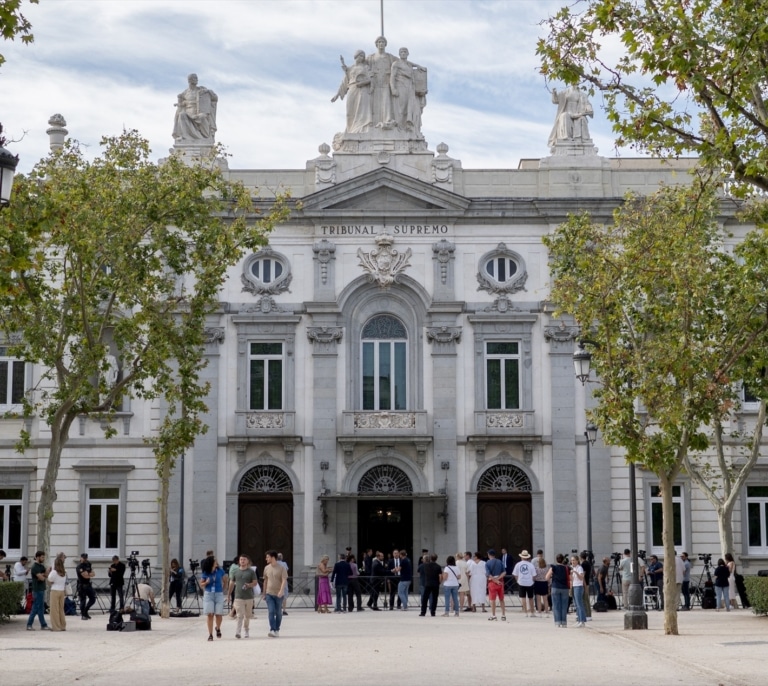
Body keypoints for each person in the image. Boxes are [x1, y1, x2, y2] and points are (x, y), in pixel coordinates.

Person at [331, 49, 373, 134]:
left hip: (363, 90)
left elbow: (371, 80)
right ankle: (350, 130)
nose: (361, 58)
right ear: (355, 56)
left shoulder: (366, 67)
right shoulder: (350, 69)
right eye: (359, 55)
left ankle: (362, 130)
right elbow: (344, 82)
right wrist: (337, 95)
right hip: (352, 89)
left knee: (362, 111)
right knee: (350, 111)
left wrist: (362, 83)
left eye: (363, 56)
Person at [389, 47, 426, 133]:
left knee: (409, 107)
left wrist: (417, 66)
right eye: (401, 52)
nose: (403, 53)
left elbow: (410, 63)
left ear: (408, 53)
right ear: (399, 54)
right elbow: (392, 77)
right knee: (400, 107)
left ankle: (407, 126)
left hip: (409, 86)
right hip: (400, 85)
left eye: (405, 52)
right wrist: (393, 88)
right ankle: (399, 127)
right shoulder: (396, 64)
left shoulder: (408, 64)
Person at [173, 73, 218, 142]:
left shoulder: (202, 89)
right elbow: (182, 103)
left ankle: (204, 136)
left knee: (202, 117)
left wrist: (208, 91)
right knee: (182, 114)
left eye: (196, 78)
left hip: (200, 112)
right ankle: (184, 136)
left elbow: (215, 98)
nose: (196, 80)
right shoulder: (185, 92)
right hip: (189, 113)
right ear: (189, 80)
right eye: (194, 78)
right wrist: (179, 104)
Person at [367, 36, 396, 127]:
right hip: (374, 84)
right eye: (379, 42)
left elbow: (402, 63)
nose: (381, 44)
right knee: (374, 104)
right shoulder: (371, 57)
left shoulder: (390, 57)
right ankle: (374, 123)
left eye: (383, 42)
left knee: (386, 102)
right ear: (376, 44)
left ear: (385, 44)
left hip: (386, 83)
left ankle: (387, 121)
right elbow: (360, 65)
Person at [228, 554, 258, 639]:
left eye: (244, 559)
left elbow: (255, 582)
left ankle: (246, 629)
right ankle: (238, 631)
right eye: (241, 560)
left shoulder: (251, 572)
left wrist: (249, 585)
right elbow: (231, 583)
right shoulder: (236, 572)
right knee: (239, 615)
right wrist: (229, 594)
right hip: (238, 597)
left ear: (247, 561)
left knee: (247, 615)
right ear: (239, 561)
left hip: (248, 597)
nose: (242, 561)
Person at [200, 553, 226, 641]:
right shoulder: (206, 572)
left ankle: (218, 628)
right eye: (215, 561)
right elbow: (201, 584)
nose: (216, 562)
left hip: (218, 593)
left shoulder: (220, 571)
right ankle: (210, 634)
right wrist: (206, 582)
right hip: (209, 593)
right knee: (210, 614)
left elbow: (225, 580)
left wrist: (223, 588)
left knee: (218, 614)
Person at [263, 549, 288, 637]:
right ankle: (272, 629)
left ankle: (277, 628)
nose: (266, 559)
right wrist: (264, 593)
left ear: (273, 557)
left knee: (278, 613)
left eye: (267, 557)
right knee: (271, 611)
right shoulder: (266, 568)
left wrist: (281, 591)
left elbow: (284, 580)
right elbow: (265, 581)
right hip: (269, 593)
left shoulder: (282, 568)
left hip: (278, 594)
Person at [26, 550, 50, 631]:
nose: (43, 558)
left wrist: (45, 572)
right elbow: (42, 578)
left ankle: (43, 624)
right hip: (37, 590)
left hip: (41, 589)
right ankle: (29, 624)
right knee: (35, 607)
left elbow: (45, 576)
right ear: (38, 557)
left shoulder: (41, 566)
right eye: (42, 557)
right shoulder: (35, 567)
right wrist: (43, 575)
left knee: (41, 608)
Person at [546, 553, 570, 628]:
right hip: (565, 588)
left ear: (556, 559)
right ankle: (564, 622)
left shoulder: (553, 567)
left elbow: (547, 577)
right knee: (564, 605)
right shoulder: (567, 568)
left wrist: (551, 578)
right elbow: (570, 578)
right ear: (563, 560)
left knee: (556, 605)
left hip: (555, 587)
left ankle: (557, 622)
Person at [47, 552, 68, 631]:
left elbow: (49, 580)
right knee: (61, 609)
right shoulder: (64, 572)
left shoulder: (54, 572)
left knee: (54, 610)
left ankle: (56, 627)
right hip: (61, 591)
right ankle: (62, 625)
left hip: (55, 590)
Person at [513, 549, 536, 618]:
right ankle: (532, 612)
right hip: (529, 583)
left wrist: (517, 580)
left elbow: (515, 574)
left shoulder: (518, 564)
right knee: (531, 598)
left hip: (521, 582)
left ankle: (525, 612)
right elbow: (534, 575)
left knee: (523, 598)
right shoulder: (531, 565)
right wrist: (532, 581)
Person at [485, 549, 506, 621]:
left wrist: (495, 580)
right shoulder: (500, 561)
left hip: (492, 582)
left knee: (492, 600)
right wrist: (498, 579)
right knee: (501, 599)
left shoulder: (487, 563)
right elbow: (504, 572)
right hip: (500, 582)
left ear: (489, 555)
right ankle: (503, 615)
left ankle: (493, 615)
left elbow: (488, 574)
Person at [76, 552, 96, 620]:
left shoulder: (88, 564)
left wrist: (88, 574)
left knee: (93, 599)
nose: (85, 559)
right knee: (83, 600)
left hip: (88, 585)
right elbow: (84, 576)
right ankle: (83, 615)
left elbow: (93, 574)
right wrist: (88, 574)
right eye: (83, 558)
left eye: (86, 558)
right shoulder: (79, 567)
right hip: (82, 585)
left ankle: (86, 611)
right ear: (81, 558)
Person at [570, 555, 587, 627]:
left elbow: (581, 578)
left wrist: (576, 572)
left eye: (574, 560)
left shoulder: (579, 568)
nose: (572, 562)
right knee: (576, 604)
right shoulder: (573, 568)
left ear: (577, 561)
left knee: (580, 604)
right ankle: (579, 619)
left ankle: (582, 620)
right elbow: (572, 579)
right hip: (574, 586)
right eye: (572, 560)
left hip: (579, 587)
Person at [533, 551, 550, 616]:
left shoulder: (536, 569)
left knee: (538, 598)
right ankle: (546, 610)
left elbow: (534, 576)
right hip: (544, 583)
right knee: (545, 599)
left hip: (538, 583)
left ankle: (539, 610)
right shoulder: (546, 569)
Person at [580, 551, 593, 620]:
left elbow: (583, 575)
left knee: (585, 599)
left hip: (584, 582)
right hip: (586, 582)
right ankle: (587, 614)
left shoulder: (584, 564)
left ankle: (587, 614)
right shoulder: (588, 563)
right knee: (585, 598)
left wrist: (583, 583)